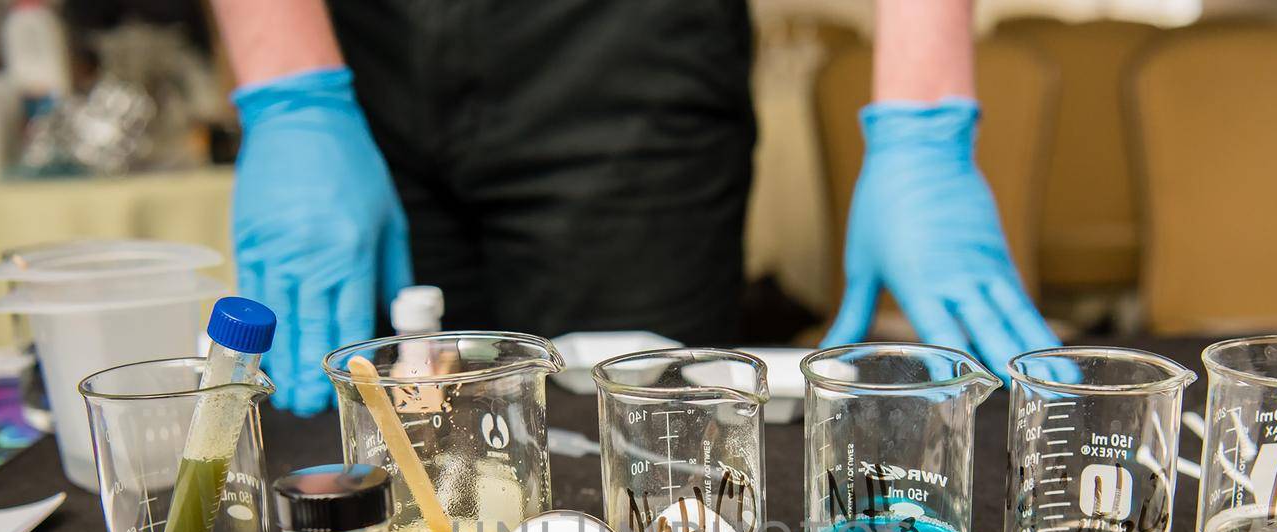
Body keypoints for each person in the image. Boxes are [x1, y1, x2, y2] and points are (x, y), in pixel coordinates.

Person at [210, 0, 1057, 414]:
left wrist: (921, 121)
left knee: (646, 466)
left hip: (627, 49)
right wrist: (289, 87)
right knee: (390, 449)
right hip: (350, 47)